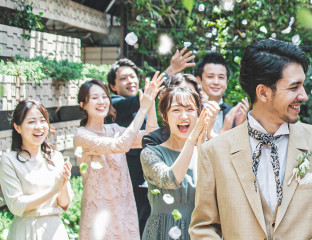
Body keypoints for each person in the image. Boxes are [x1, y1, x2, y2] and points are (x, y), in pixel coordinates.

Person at [189, 39, 312, 239]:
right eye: (294, 87)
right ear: (263, 92)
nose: (304, 96)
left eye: (303, 86)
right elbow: (203, 228)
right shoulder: (214, 152)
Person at [107, 49, 194, 235]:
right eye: (123, 78)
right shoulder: (114, 104)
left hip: (154, 184)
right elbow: (138, 102)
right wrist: (170, 70)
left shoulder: (147, 105)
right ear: (113, 86)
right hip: (129, 181)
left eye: (133, 76)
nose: (130, 81)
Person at [74, 76, 162, 240]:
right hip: (98, 214)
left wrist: (150, 106)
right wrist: (142, 108)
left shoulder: (114, 129)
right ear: (82, 104)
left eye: (104, 97)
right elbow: (121, 145)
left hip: (124, 209)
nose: (101, 101)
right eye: (95, 98)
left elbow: (150, 137)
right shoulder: (81, 135)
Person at [141, 86, 216, 239]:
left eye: (190, 109)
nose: (184, 116)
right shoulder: (151, 153)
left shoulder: (207, 151)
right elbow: (170, 179)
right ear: (165, 116)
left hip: (198, 232)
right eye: (176, 110)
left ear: (199, 114)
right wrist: (192, 138)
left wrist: (202, 143)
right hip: (162, 231)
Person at [0, 100, 72, 240]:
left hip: (55, 231)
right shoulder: (9, 161)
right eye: (32, 122)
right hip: (26, 231)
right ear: (18, 127)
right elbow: (16, 205)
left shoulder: (56, 157)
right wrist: (53, 190)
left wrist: (63, 183)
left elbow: (64, 204)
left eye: (42, 121)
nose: (39, 127)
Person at [142, 73, 206, 148]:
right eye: (179, 91)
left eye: (189, 92)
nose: (184, 97)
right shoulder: (154, 140)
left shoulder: (203, 138)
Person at [195, 52, 249, 133]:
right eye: (210, 76)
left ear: (227, 82)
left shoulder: (236, 114)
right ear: (198, 81)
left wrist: (240, 127)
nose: (216, 82)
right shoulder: (191, 111)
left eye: (221, 77)